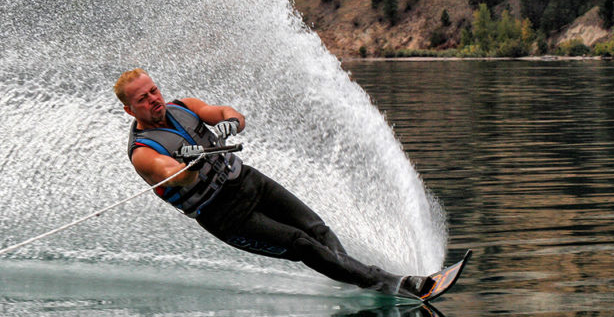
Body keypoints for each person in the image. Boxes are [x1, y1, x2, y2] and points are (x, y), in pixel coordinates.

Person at [114, 68, 433, 299]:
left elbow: (231, 114)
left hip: (249, 182)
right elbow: (179, 176)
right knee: (301, 243)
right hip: (225, 215)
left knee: (318, 230)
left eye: (154, 90)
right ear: (130, 109)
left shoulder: (183, 107)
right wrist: (190, 162)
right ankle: (394, 284)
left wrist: (229, 124)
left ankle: (352, 274)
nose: (154, 99)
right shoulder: (143, 152)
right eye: (143, 99)